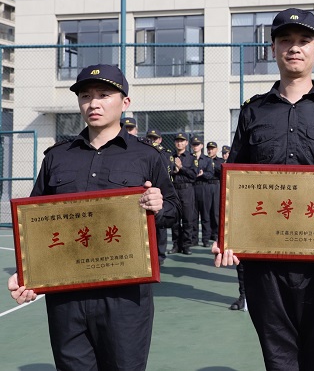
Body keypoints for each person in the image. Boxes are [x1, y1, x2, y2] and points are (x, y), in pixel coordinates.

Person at [212, 8, 314, 371]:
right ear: (273, 49)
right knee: (277, 355)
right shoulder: (253, 112)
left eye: (303, 41)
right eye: (285, 41)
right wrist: (228, 235)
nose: (294, 48)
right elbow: (236, 181)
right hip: (265, 260)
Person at [8, 64, 181, 370]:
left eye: (103, 95)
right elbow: (35, 221)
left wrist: (158, 205)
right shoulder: (58, 157)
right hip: (67, 295)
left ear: (125, 103)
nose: (93, 103)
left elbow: (174, 210)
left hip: (125, 295)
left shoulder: (146, 156)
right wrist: (27, 273)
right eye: (85, 96)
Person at [147, 128, 175, 265]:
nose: (152, 141)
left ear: (160, 140)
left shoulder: (165, 154)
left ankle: (160, 255)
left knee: (160, 224)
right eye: (150, 138)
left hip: (160, 190)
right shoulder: (143, 151)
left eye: (155, 138)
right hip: (147, 190)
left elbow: (168, 171)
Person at [170, 132, 198, 255]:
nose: (179, 143)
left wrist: (181, 168)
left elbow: (194, 175)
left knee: (187, 218)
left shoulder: (191, 158)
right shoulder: (170, 157)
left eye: (182, 141)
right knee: (175, 219)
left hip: (187, 190)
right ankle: (176, 245)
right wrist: (174, 171)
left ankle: (186, 245)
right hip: (174, 189)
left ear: (186, 143)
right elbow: (166, 173)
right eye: (177, 141)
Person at [191, 135, 214, 247]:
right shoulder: (189, 158)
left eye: (197, 144)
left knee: (205, 215)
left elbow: (210, 174)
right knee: (193, 216)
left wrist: (203, 174)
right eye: (194, 145)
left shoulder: (207, 159)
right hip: (192, 188)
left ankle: (205, 240)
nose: (195, 146)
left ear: (201, 146)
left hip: (204, 188)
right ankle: (194, 239)